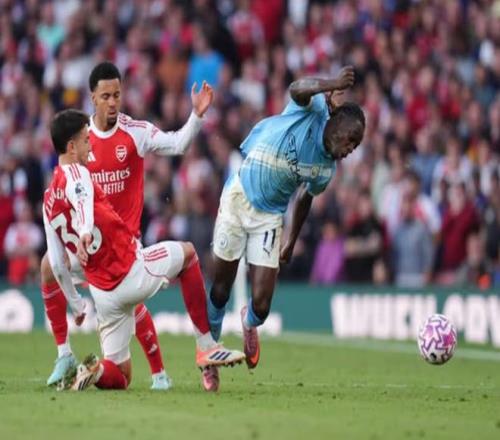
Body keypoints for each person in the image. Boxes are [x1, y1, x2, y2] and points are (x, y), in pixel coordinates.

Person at [40, 61, 217, 391]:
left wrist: (196, 115)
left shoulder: (135, 132)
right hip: (94, 249)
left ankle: (157, 374)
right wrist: (85, 232)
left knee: (123, 353)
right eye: (105, 96)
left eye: (117, 95)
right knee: (49, 266)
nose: (112, 102)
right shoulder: (81, 140)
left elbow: (177, 144)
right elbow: (79, 197)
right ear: (92, 98)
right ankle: (64, 354)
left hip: (122, 246)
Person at [207, 66, 365, 381]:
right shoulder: (313, 108)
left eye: (356, 146)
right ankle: (209, 357)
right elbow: (296, 87)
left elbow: (305, 197)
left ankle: (248, 324)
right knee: (221, 288)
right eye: (351, 140)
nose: (350, 149)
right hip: (239, 197)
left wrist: (291, 239)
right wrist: (332, 84)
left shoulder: (326, 170)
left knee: (262, 306)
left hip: (269, 216)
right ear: (337, 123)